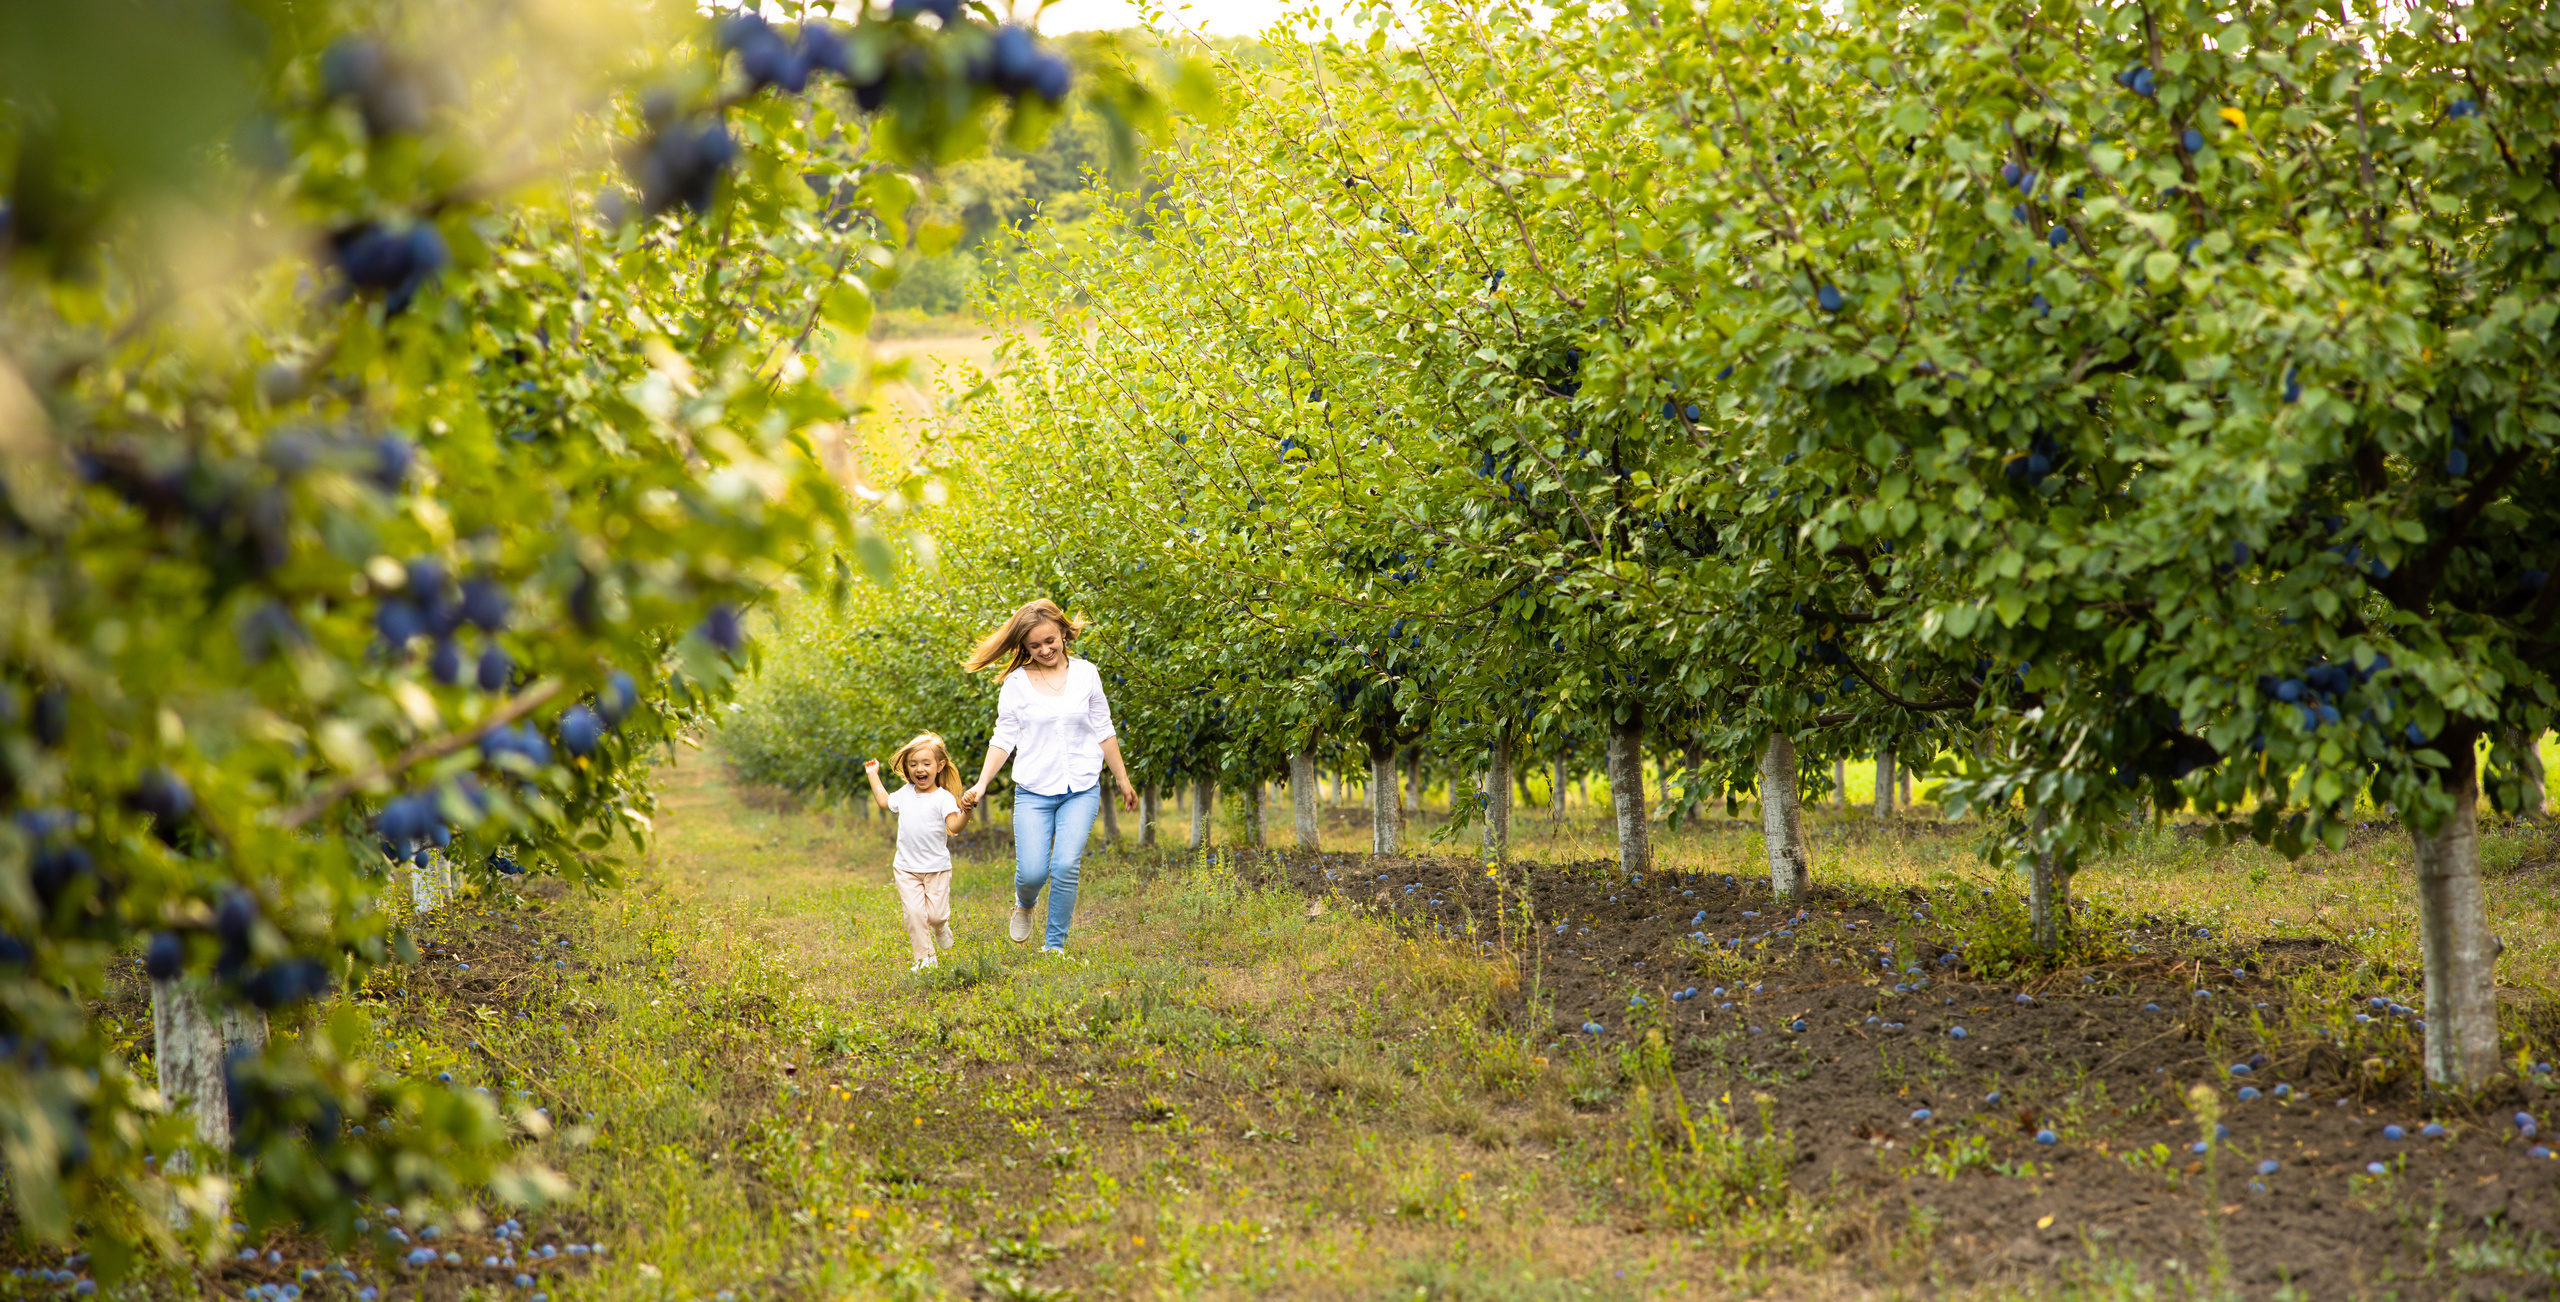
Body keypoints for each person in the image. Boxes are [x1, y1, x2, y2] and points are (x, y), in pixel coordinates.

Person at [959, 599, 1138, 955]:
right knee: (1033, 874)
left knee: (1066, 864)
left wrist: (1121, 778)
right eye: (1034, 646)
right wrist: (980, 783)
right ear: (1023, 647)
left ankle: (1054, 946)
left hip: (1081, 786)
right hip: (1034, 790)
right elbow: (1003, 738)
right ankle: (1024, 903)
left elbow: (1104, 728)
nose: (1044, 650)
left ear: (1063, 633)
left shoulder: (1087, 673)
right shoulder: (1016, 684)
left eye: (1050, 641)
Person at [863, 733, 969, 973]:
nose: (919, 769)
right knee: (915, 914)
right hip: (906, 867)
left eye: (926, 763)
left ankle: (941, 929)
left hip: (937, 868)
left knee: (937, 916)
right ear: (907, 768)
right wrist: (873, 775)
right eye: (913, 764)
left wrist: (967, 812)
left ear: (939, 766)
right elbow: (883, 801)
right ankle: (924, 959)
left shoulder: (944, 798)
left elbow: (955, 827)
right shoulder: (905, 793)